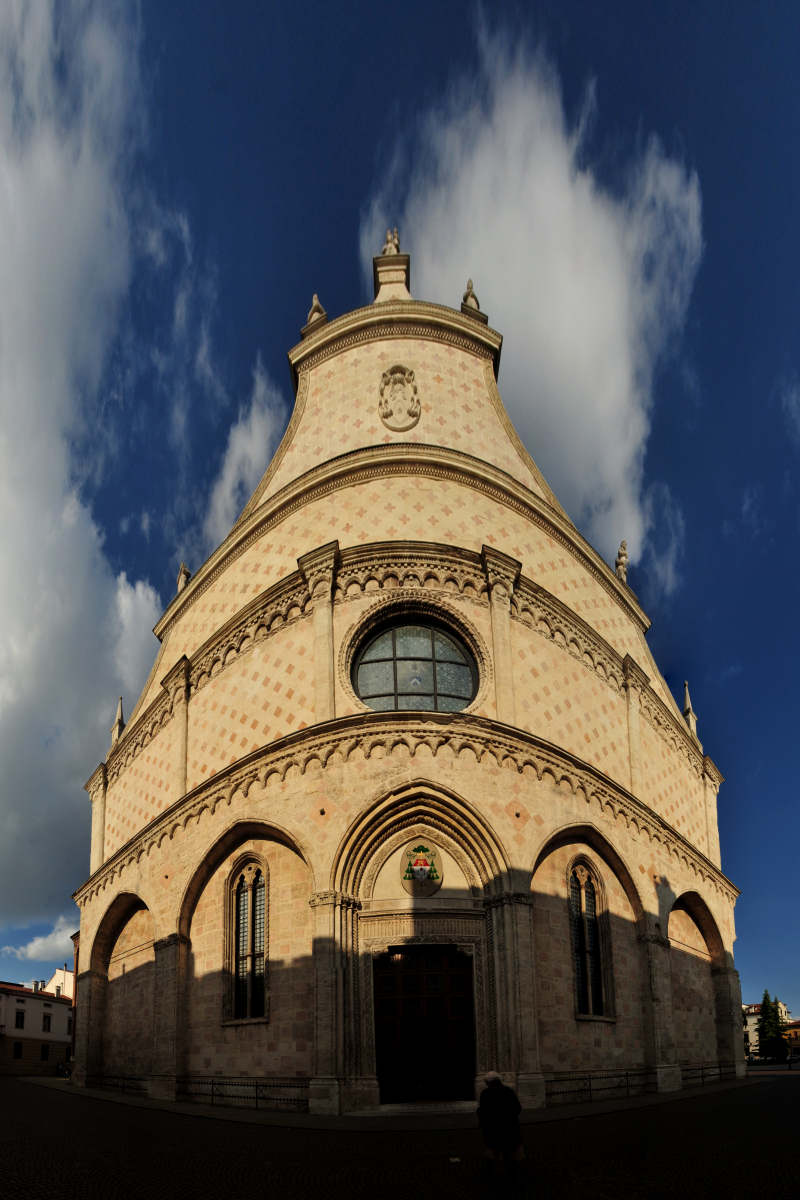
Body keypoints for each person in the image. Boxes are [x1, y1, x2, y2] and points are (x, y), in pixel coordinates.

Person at [477, 1072, 524, 1171]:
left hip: (493, 1129)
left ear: (487, 1083)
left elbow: (483, 1112)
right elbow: (517, 1108)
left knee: (493, 1152)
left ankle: (493, 1173)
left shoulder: (485, 1093)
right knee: (509, 1153)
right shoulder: (508, 1091)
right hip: (509, 1127)